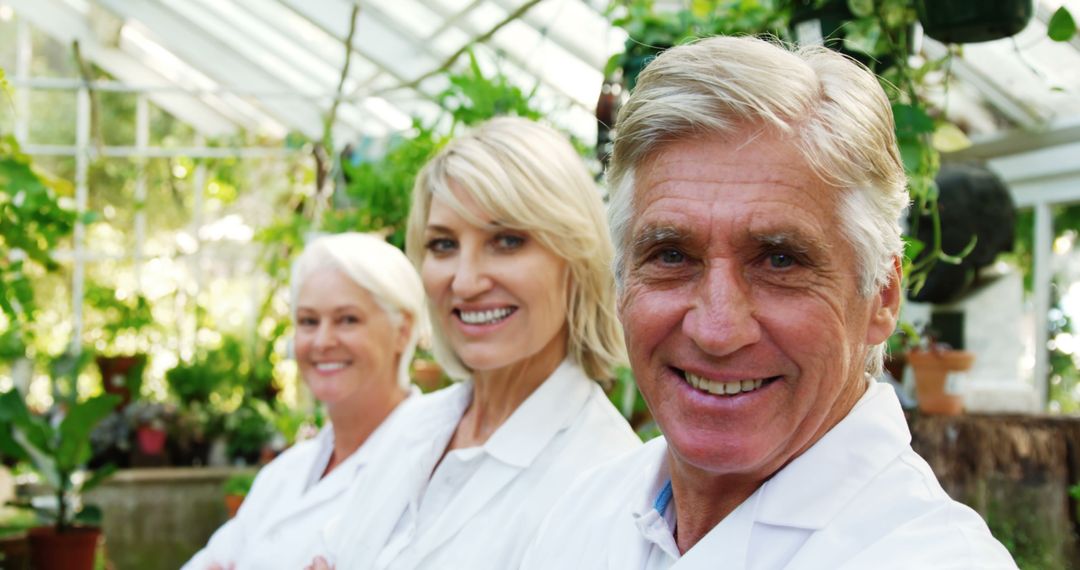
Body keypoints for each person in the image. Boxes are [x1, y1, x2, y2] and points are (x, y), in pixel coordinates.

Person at [520, 36, 1016, 569]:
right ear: (620, 284)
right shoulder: (584, 512)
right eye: (670, 255)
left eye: (779, 261)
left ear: (882, 296)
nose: (716, 329)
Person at [311, 117, 641, 570]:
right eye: (443, 245)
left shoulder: (604, 480)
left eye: (506, 241)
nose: (464, 283)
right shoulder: (412, 428)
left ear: (577, 258)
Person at [183, 232, 426, 570]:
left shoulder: (430, 467)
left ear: (402, 330)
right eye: (309, 321)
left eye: (347, 319)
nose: (323, 341)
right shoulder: (284, 473)